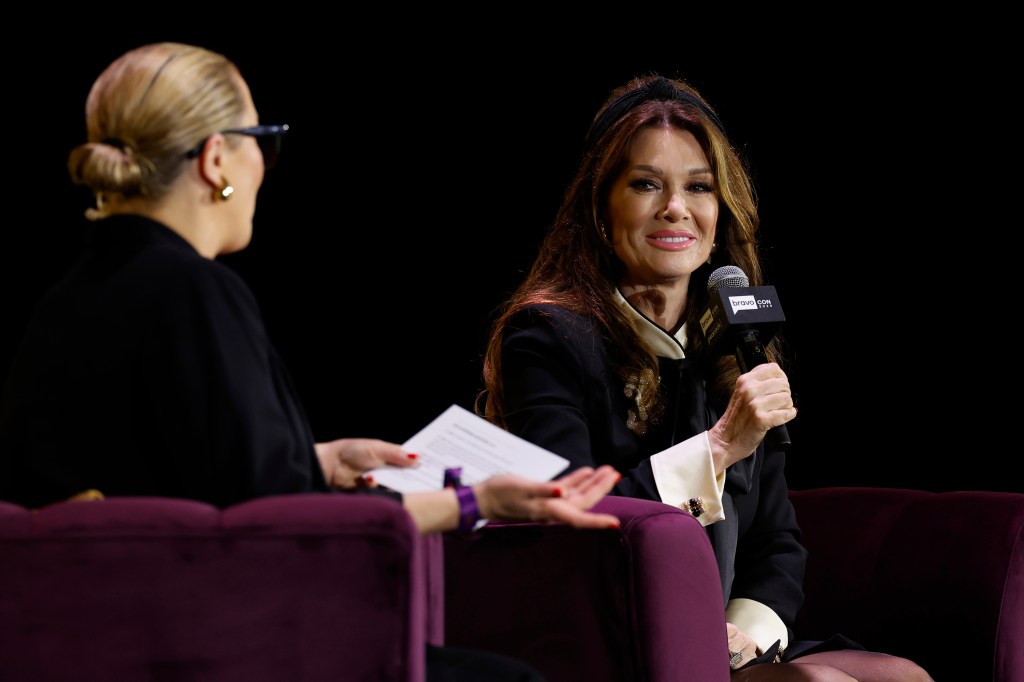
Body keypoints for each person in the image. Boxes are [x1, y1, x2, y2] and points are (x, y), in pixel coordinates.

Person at [0, 42, 623, 682]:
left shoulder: (63, 303)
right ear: (217, 158)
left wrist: (318, 459)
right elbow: (276, 525)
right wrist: (473, 503)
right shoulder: (195, 291)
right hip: (215, 648)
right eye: (260, 139)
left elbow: (168, 476)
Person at [478, 74, 933, 681]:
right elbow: (567, 525)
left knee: (903, 675)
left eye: (699, 187)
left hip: (722, 642)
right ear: (600, 206)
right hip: (602, 631)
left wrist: (747, 632)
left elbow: (777, 543)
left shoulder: (732, 345)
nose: (676, 208)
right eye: (645, 185)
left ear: (721, 211)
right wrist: (718, 448)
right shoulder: (548, 337)